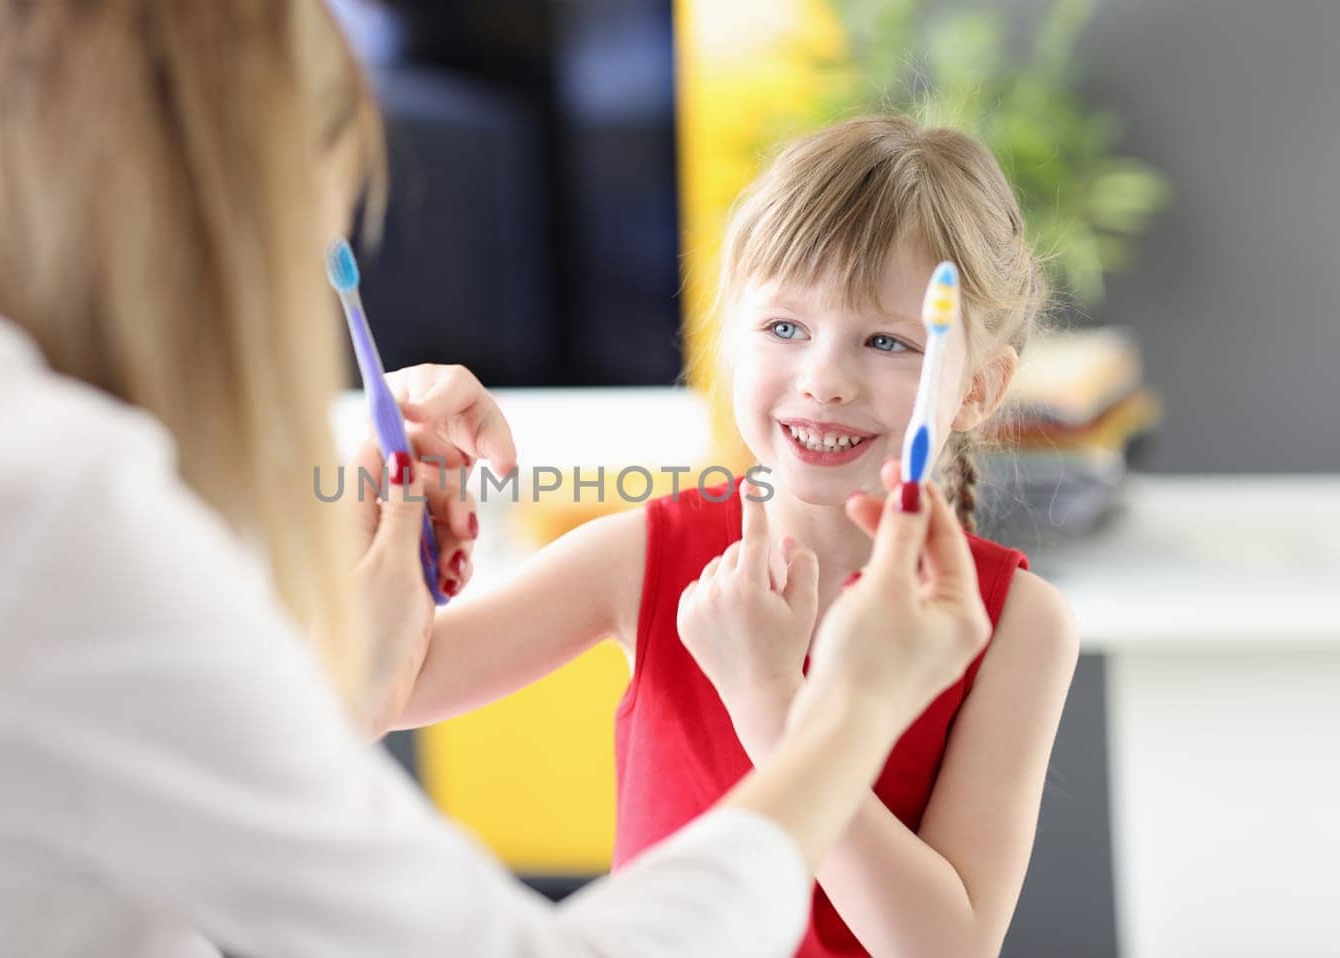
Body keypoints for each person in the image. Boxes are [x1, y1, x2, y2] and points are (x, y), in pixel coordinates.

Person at [0, 3, 1002, 956]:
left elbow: (217, 724)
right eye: (304, 228)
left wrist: (345, 596)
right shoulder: (32, 505)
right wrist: (832, 717)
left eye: (887, 340)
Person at [397, 116, 1082, 957]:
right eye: (785, 328)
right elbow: (378, 691)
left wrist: (767, 699)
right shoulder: (641, 556)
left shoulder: (1017, 624)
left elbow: (944, 946)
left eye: (887, 342)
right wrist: (390, 499)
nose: (825, 379)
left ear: (977, 388)